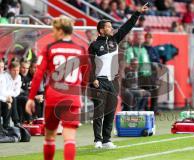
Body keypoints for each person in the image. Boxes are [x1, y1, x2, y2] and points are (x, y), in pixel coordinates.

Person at [25, 15, 88, 160]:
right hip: (72, 97)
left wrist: (30, 98)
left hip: (54, 97)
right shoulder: (80, 49)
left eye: (54, 29)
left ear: (60, 30)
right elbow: (86, 76)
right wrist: (81, 94)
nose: (52, 33)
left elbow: (38, 74)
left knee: (49, 137)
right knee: (70, 138)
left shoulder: (49, 48)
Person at [89, 4, 149, 149]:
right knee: (99, 111)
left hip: (113, 81)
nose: (111, 28)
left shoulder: (114, 40)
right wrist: (93, 80)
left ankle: (107, 140)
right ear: (101, 30)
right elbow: (90, 64)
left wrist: (137, 13)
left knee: (110, 111)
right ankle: (97, 139)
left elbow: (127, 27)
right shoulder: (94, 45)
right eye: (108, 27)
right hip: (100, 81)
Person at [0, 59, 22, 129]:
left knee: (12, 100)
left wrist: (8, 98)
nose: (16, 73)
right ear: (10, 70)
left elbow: (17, 92)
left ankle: (7, 126)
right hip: (3, 98)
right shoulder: (4, 76)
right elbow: (2, 91)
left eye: (2, 67)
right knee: (10, 101)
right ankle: (15, 122)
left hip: (4, 98)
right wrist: (6, 99)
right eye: (14, 70)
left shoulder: (2, 76)